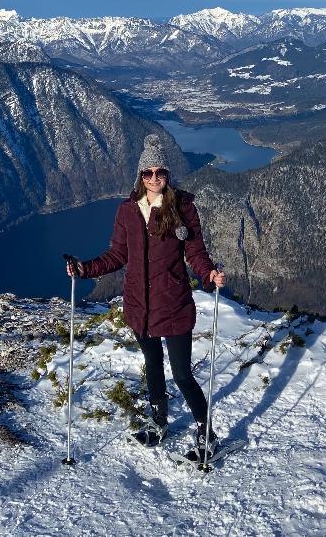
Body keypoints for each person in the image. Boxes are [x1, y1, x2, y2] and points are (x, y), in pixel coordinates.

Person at [66, 133, 227, 457]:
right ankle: (159, 422)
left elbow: (195, 252)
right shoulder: (127, 212)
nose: (155, 178)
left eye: (160, 172)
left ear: (167, 174)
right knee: (152, 364)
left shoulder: (182, 209)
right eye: (148, 173)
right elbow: (117, 255)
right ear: (140, 177)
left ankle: (206, 435)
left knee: (182, 374)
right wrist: (84, 270)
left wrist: (208, 274)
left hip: (173, 303)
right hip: (139, 305)